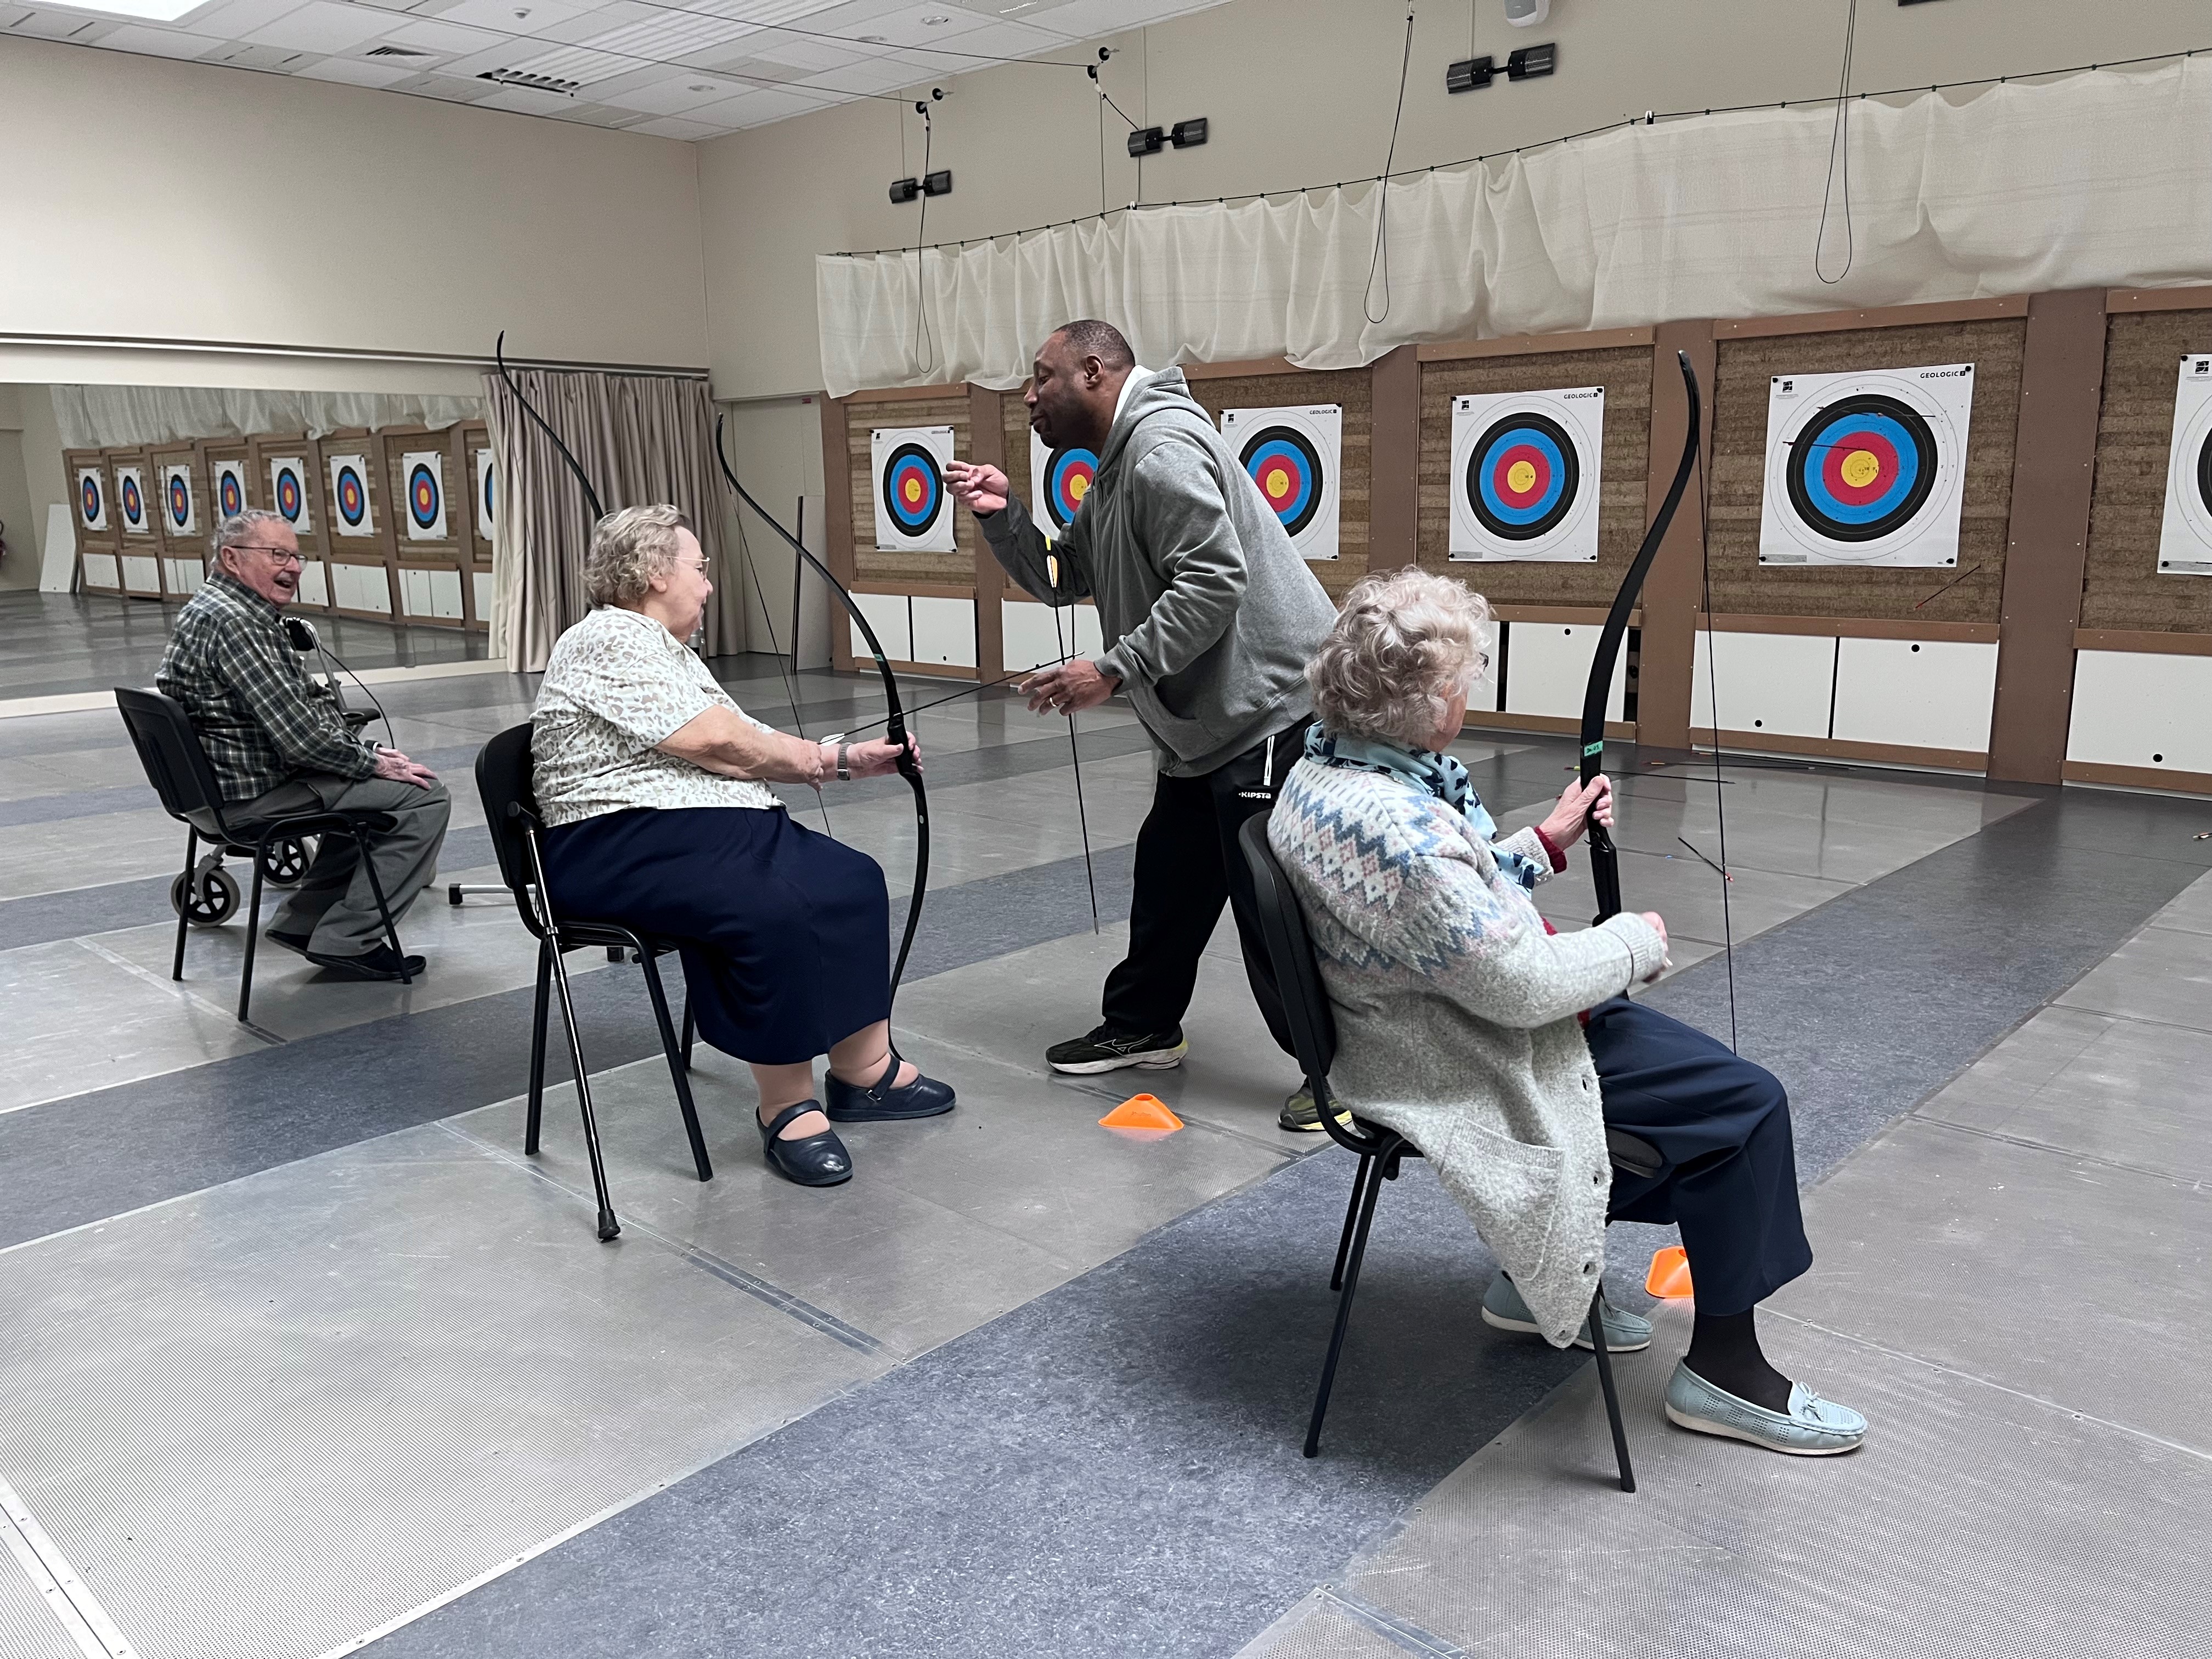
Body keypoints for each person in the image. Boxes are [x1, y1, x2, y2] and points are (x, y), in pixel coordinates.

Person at [1267, 568, 1866, 1457]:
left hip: (1437, 1017)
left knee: (1698, 1102)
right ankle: (1724, 1369)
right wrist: (1633, 940)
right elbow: (1516, 982)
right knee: (1744, 1109)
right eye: (1463, 678)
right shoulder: (1396, 829)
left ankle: (1527, 1274)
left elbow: (1440, 919)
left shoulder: (1330, 768)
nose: (1469, 692)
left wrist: (1545, 840)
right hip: (1472, 1051)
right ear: (1429, 702)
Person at [945, 319, 1342, 1130]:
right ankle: (1143, 1025)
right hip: (1207, 728)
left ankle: (1342, 1075)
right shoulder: (1120, 467)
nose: (1029, 395)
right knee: (1170, 883)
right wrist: (1003, 515)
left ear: (1094, 372)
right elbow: (1065, 575)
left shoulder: (1158, 454)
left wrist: (1114, 668)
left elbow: (1216, 582)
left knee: (1272, 906)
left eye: (1042, 377)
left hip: (1267, 714)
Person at [530, 505, 954, 1188]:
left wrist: (848, 760)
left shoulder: (668, 652)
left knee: (851, 879)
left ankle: (864, 1073)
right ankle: (786, 1107)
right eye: (699, 570)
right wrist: (826, 760)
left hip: (698, 833)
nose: (707, 586)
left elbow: (741, 737)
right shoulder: (606, 637)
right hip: (614, 841)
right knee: (772, 906)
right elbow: (717, 743)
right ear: (654, 573)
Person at [156, 509, 448, 982]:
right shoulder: (240, 625)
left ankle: (304, 923)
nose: (292, 567)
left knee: (364, 788)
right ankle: (350, 940)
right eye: (277, 555)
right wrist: (371, 762)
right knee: (424, 798)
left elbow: (299, 709)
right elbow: (301, 740)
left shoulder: (211, 606)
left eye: (295, 556)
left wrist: (364, 756)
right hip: (252, 797)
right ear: (231, 558)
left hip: (215, 793)